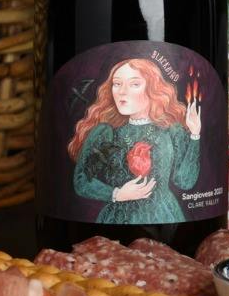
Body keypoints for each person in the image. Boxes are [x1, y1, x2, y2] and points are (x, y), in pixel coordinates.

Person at [67, 57, 203, 223]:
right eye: (117, 84)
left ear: (152, 89)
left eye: (134, 84)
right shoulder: (106, 133)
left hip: (165, 216)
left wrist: (195, 134)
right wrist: (117, 194)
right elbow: (82, 182)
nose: (122, 92)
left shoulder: (171, 131)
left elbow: (185, 182)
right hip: (116, 219)